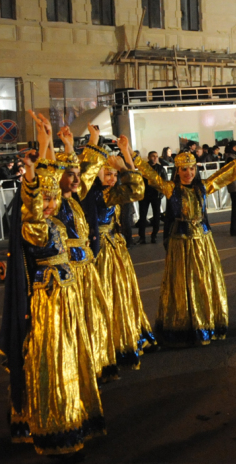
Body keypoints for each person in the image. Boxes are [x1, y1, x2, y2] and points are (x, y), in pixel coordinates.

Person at [0, 121, 104, 457]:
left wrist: (56, 148)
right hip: (49, 305)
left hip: (69, 298)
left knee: (73, 360)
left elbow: (77, 181)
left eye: (51, 198)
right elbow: (33, 217)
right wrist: (32, 171)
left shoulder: (59, 219)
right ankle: (56, 426)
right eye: (44, 198)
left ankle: (76, 415)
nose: (48, 203)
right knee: (53, 363)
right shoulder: (36, 227)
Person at [132, 139, 236, 345]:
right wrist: (130, 153)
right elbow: (150, 175)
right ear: (177, 171)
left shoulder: (203, 187)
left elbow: (225, 174)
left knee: (203, 282)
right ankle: (183, 326)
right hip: (179, 243)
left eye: (191, 169)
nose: (188, 173)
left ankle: (205, 322)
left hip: (202, 242)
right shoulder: (171, 189)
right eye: (183, 169)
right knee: (181, 284)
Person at [81, 137, 155, 369]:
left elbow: (136, 190)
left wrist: (126, 154)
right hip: (101, 252)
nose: (112, 179)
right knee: (106, 297)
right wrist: (125, 166)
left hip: (115, 248)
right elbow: (137, 191)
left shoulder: (102, 193)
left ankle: (121, 337)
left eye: (114, 174)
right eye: (108, 174)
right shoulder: (100, 195)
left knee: (120, 295)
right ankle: (109, 344)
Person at [53, 122, 118, 381]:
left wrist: (88, 140)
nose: (77, 179)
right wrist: (53, 145)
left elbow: (87, 172)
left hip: (87, 270)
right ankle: (77, 371)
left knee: (93, 320)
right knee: (76, 323)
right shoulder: (55, 203)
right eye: (70, 175)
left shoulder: (77, 199)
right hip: (68, 275)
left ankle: (93, 365)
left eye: (77, 175)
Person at [137, 150, 166, 244]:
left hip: (156, 195)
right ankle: (142, 237)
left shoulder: (160, 168)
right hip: (144, 195)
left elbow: (165, 181)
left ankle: (154, 235)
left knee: (157, 216)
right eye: (153, 156)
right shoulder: (144, 168)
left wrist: (161, 194)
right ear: (149, 157)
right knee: (142, 216)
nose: (155, 158)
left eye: (156, 156)